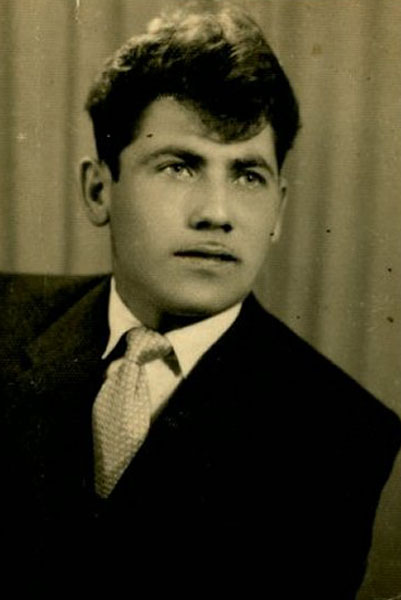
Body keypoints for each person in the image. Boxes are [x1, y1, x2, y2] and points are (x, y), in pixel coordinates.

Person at [0, 3, 399, 598]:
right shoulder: (7, 319)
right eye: (180, 167)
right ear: (98, 189)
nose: (217, 213)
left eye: (247, 176)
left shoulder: (340, 435)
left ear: (279, 210)